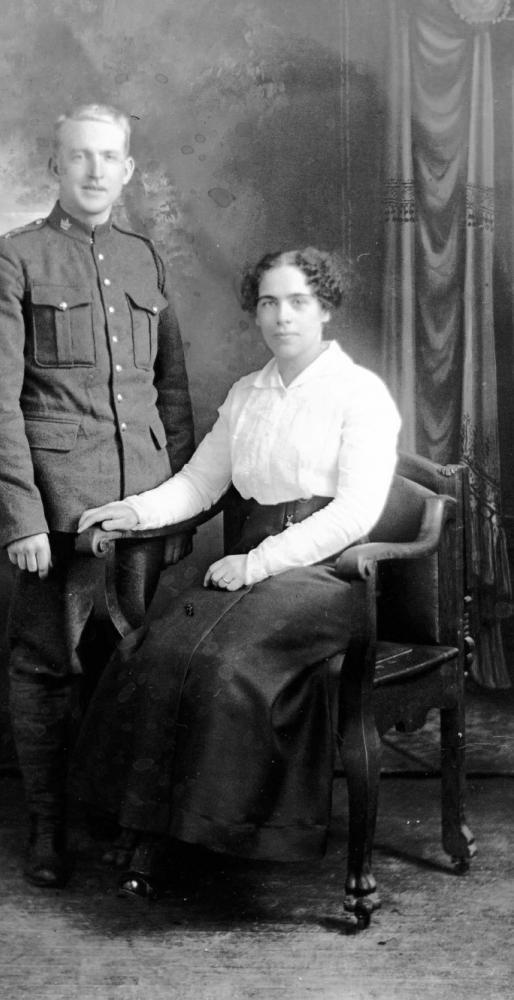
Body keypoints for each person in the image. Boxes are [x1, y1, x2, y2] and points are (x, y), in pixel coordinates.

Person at [76, 247, 402, 898]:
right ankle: (149, 828)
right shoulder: (248, 393)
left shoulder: (360, 393)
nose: (283, 317)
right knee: (157, 650)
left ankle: (223, 833)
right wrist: (133, 511)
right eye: (269, 302)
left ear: (325, 309)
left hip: (328, 579)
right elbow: (200, 483)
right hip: (247, 574)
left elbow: (356, 513)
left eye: (299, 301)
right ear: (255, 312)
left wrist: (258, 563)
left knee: (226, 664)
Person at [0, 103, 195, 888]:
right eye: (79, 156)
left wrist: (179, 504)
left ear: (128, 169)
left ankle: (114, 819)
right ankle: (48, 828)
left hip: (143, 510)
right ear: (54, 166)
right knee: (47, 667)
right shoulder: (14, 257)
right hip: (59, 515)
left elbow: (170, 390)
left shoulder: (144, 258)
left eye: (109, 156)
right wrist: (19, 519)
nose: (95, 170)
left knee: (127, 666)